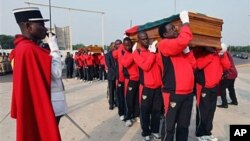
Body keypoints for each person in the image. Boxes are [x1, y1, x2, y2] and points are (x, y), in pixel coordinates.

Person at [11, 7, 61, 141]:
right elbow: (57, 72)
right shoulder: (30, 50)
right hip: (39, 105)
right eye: (41, 24)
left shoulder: (20, 48)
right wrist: (54, 47)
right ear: (28, 26)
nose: (45, 29)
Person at [157, 11, 197, 141]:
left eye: (175, 27)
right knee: (170, 127)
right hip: (173, 93)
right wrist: (185, 23)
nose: (176, 30)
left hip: (188, 94)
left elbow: (193, 65)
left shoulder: (179, 48)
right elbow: (184, 39)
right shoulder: (164, 44)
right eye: (172, 29)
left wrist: (187, 52)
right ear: (164, 34)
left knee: (183, 126)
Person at [194, 44, 231, 141]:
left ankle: (207, 132)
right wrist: (211, 54)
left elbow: (227, 66)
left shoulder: (220, 53)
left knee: (211, 111)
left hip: (214, 87)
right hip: (203, 87)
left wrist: (222, 54)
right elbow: (198, 64)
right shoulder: (201, 52)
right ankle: (199, 134)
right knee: (203, 111)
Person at [133, 31, 163, 141]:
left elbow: (160, 65)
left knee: (156, 111)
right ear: (139, 41)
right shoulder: (136, 53)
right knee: (145, 111)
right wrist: (152, 53)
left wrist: (156, 52)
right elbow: (145, 66)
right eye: (143, 39)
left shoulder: (153, 51)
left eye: (146, 38)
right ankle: (145, 132)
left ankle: (155, 131)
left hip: (158, 87)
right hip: (146, 87)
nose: (146, 40)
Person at [47, 34, 68, 125]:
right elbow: (57, 73)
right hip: (53, 101)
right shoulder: (47, 59)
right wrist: (54, 49)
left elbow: (61, 65)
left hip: (55, 100)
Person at [120, 37, 140, 127]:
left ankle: (136, 115)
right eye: (125, 45)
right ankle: (128, 117)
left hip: (139, 80)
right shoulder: (124, 55)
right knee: (129, 100)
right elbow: (126, 64)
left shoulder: (136, 52)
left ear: (132, 44)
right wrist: (134, 53)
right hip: (130, 80)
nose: (127, 46)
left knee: (136, 99)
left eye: (129, 44)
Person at [217, 44, 238, 108]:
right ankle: (234, 101)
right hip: (234, 73)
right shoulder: (227, 53)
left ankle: (224, 104)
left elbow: (225, 65)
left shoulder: (224, 54)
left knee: (222, 88)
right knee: (231, 88)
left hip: (229, 74)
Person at [105, 42, 117, 109]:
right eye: (114, 46)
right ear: (111, 47)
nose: (115, 47)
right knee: (111, 90)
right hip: (111, 75)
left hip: (117, 75)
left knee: (116, 90)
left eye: (115, 46)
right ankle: (111, 103)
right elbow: (109, 65)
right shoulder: (107, 55)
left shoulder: (117, 53)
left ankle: (116, 102)